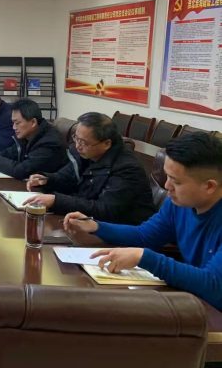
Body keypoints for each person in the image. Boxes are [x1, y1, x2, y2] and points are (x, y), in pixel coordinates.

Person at [64, 133, 222, 310]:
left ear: (209, 186)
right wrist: (96, 226)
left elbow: (215, 286)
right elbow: (144, 236)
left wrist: (145, 257)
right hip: (196, 302)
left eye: (176, 181)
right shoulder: (178, 203)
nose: (166, 186)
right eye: (167, 176)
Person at [23, 112, 154, 223]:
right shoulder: (86, 154)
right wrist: (47, 180)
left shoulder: (127, 169)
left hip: (123, 234)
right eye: (76, 138)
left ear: (106, 143)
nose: (78, 146)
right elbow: (67, 178)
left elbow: (104, 210)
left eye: (84, 142)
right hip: (89, 224)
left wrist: (56, 201)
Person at [0, 98, 67, 179]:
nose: (14, 127)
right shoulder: (27, 135)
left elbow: (22, 170)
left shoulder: (49, 142)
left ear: (33, 122)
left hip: (46, 192)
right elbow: (8, 153)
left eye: (17, 123)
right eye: (13, 123)